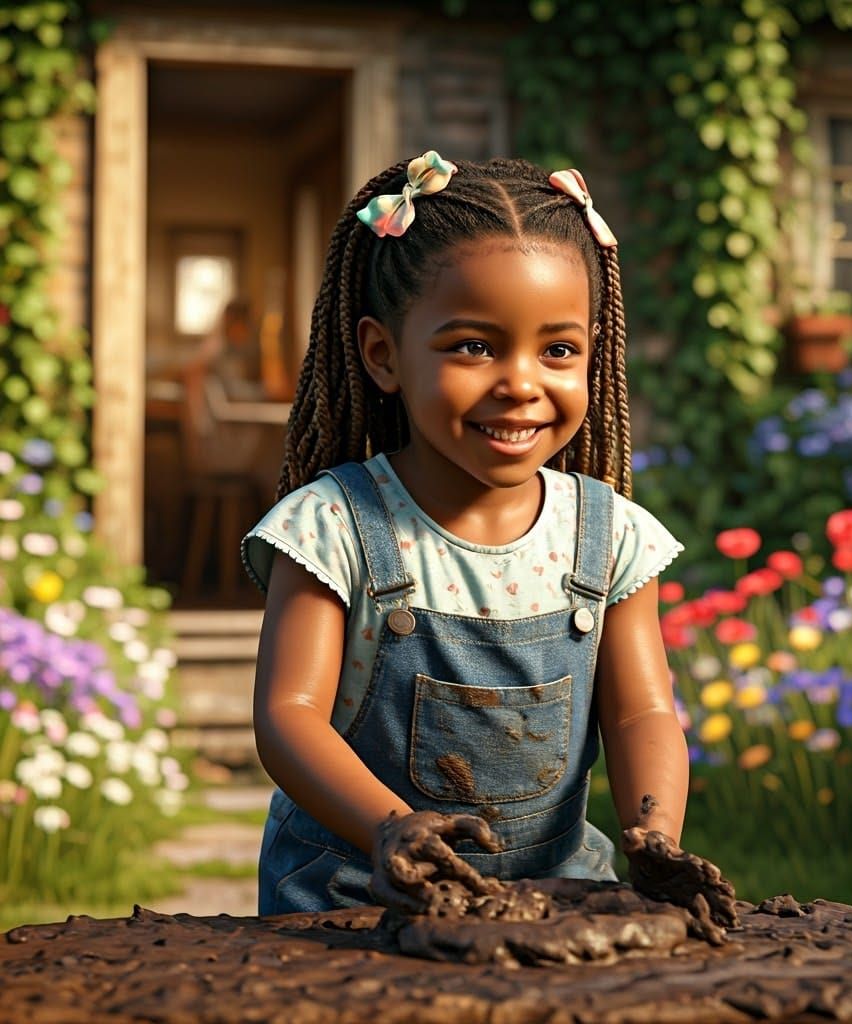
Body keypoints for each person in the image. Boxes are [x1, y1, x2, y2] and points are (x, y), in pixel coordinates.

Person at [242, 152, 691, 916]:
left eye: (558, 350)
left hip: (560, 898)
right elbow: (288, 717)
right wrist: (391, 827)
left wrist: (657, 834)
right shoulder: (333, 527)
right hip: (358, 899)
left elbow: (641, 711)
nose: (520, 381)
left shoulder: (608, 534)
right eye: (474, 346)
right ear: (384, 355)